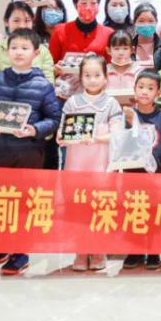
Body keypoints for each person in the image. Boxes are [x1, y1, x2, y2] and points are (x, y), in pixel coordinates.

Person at [0, 29, 62, 275]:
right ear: (7, 51)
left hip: (29, 152)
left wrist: (34, 130)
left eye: (25, 48)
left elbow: (54, 119)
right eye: (14, 47)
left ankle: (21, 252)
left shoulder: (43, 85)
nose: (18, 52)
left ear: (36, 53)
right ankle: (3, 245)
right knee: (0, 200)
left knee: (24, 201)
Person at [59, 54, 124, 272]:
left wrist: (96, 138)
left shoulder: (111, 104)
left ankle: (98, 250)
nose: (92, 80)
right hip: (76, 165)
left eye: (97, 75)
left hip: (101, 165)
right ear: (81, 77)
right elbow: (62, 133)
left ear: (106, 77)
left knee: (100, 207)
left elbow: (117, 134)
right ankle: (80, 250)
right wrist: (62, 137)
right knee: (78, 208)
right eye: (87, 75)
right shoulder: (72, 103)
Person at [123, 70, 161, 270]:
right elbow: (122, 141)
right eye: (141, 87)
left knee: (153, 211)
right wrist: (128, 122)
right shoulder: (128, 114)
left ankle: (153, 251)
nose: (145, 91)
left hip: (154, 172)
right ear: (134, 89)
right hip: (132, 171)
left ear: (158, 93)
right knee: (133, 209)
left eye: (150, 88)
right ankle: (134, 251)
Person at [49, 0, 115, 98]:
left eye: (93, 3)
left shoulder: (108, 33)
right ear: (75, 5)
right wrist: (55, 70)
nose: (88, 8)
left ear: (99, 5)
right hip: (65, 96)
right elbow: (49, 66)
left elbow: (111, 68)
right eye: (84, 3)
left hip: (97, 95)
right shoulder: (60, 31)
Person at [0, 1, 56, 80]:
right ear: (6, 22)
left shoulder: (43, 52)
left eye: (27, 20)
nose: (22, 26)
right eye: (16, 21)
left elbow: (48, 82)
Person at [105, 30, 138, 103]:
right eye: (116, 49)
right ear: (108, 50)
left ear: (132, 50)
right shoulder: (103, 71)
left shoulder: (139, 70)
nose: (121, 53)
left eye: (125, 48)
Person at [131, 2, 161, 69]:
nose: (146, 24)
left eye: (150, 21)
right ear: (134, 22)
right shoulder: (128, 46)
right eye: (141, 21)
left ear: (156, 22)